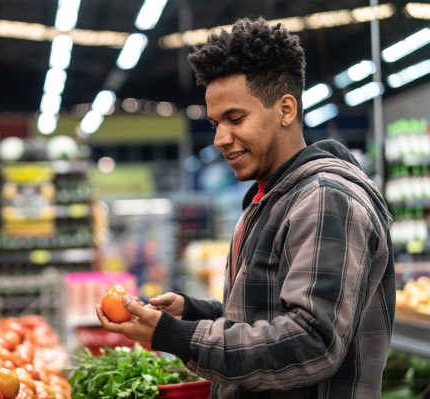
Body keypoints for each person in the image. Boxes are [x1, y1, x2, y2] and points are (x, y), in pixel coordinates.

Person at [97, 18, 396, 398]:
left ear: (286, 109)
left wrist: (178, 336)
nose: (221, 138)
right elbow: (266, 320)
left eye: (236, 119)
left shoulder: (324, 199)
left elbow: (311, 343)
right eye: (215, 123)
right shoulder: (272, 197)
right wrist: (193, 313)